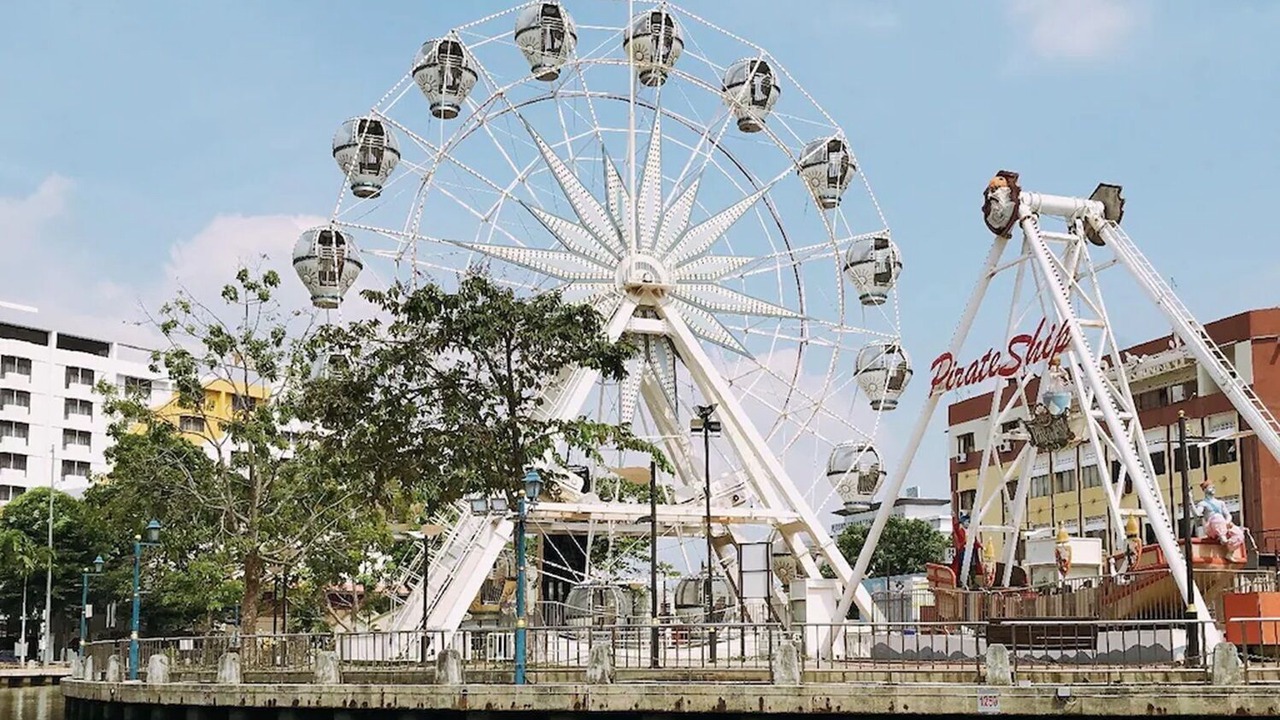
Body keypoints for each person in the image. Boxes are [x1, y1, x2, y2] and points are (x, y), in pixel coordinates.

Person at [1196, 480, 1245, 550]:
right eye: (1210, 487)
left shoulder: (1220, 503)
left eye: (1214, 487)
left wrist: (1227, 522)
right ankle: (1223, 537)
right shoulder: (1203, 503)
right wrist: (1192, 504)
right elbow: (1197, 514)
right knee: (1217, 516)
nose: (1213, 489)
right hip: (1212, 528)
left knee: (1239, 533)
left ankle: (1230, 551)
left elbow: (1228, 515)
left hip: (1223, 525)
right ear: (1204, 490)